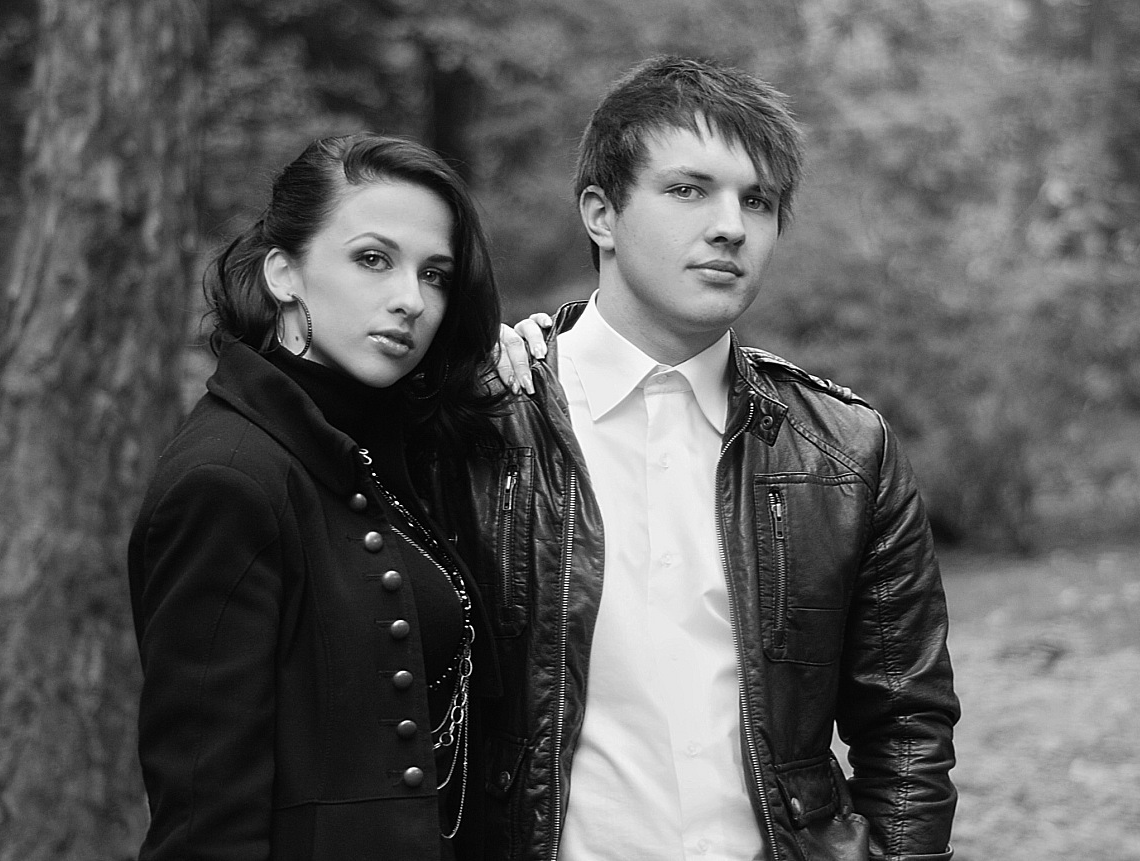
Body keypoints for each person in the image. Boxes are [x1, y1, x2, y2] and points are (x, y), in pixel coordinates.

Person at [445, 56, 961, 861]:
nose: (731, 226)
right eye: (689, 189)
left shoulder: (843, 450)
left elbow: (906, 722)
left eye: (757, 200)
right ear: (601, 214)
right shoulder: (477, 425)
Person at [127, 132, 510, 860]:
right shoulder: (229, 479)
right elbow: (204, 820)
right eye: (373, 259)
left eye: (434, 275)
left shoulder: (382, 450)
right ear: (284, 273)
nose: (411, 301)